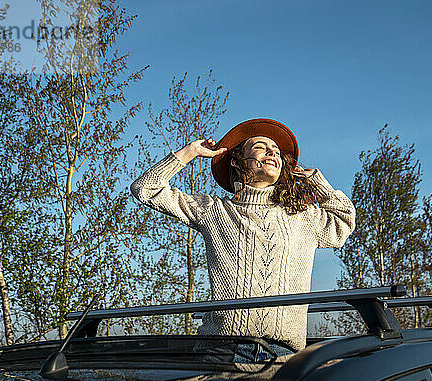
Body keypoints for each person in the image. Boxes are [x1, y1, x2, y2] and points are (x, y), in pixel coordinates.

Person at [130, 118, 355, 361]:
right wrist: (190, 151)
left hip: (282, 357)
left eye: (277, 151)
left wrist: (317, 183)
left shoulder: (301, 216)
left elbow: (342, 223)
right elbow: (146, 189)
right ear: (236, 161)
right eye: (260, 147)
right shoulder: (213, 210)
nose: (272, 153)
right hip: (220, 352)